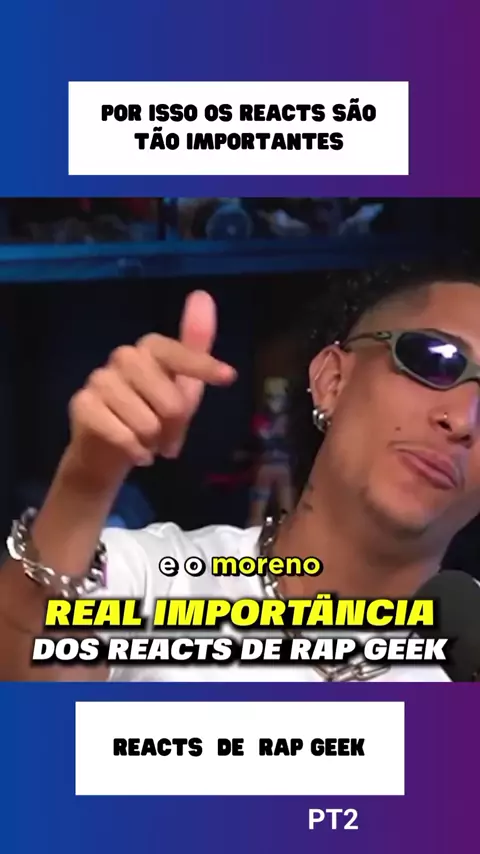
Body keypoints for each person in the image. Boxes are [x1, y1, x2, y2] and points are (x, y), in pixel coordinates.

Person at [2, 262, 480, 683]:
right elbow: (31, 714)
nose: (462, 420)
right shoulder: (159, 582)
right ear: (333, 382)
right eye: (434, 361)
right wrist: (87, 483)